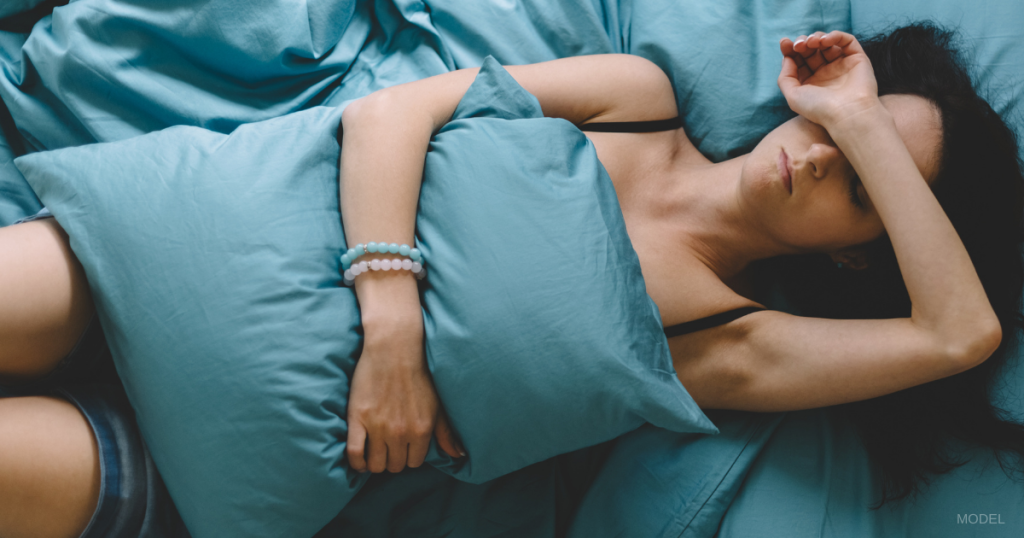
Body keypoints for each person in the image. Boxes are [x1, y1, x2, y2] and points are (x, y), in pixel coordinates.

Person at [0, 21, 1021, 537]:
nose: (816, 156)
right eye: (832, 129)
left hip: (199, 457)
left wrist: (857, 118)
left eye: (860, 186)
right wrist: (391, 317)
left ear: (857, 252)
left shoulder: (730, 342)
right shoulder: (635, 97)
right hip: (161, 256)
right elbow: (389, 117)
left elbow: (955, 335)